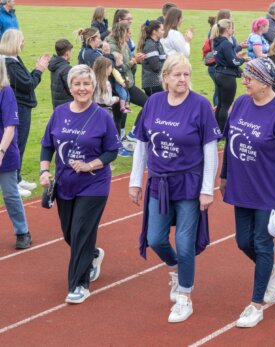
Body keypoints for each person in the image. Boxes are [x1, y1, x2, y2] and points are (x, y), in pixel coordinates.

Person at [129, 53, 221, 323]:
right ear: (165, 77)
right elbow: (142, 145)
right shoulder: (153, 103)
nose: (182, 80)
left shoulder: (200, 105)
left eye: (186, 75)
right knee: (156, 238)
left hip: (189, 184)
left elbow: (210, 149)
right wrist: (136, 181)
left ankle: (184, 296)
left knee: (184, 243)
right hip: (159, 182)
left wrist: (208, 189)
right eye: (177, 75)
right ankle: (176, 269)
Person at [220, 57, 275, 328]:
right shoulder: (242, 103)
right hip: (241, 184)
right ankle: (271, 270)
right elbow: (231, 140)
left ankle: (256, 305)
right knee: (244, 242)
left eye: (249, 78)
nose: (244, 81)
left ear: (265, 83)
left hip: (268, 189)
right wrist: (224, 175)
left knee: (262, 242)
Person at [39, 64, 121, 304]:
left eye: (87, 84)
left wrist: (90, 165)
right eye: (77, 84)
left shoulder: (103, 117)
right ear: (70, 87)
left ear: (94, 87)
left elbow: (112, 151)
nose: (82, 88)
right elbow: (47, 145)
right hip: (65, 184)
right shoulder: (60, 113)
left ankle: (79, 285)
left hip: (94, 185)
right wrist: (44, 171)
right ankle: (93, 254)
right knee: (70, 234)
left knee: (81, 231)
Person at [0, 29, 49, 197]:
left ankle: (17, 177)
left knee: (20, 143)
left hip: (20, 106)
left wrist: (35, 71)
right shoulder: (10, 64)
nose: (23, 44)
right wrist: (39, 70)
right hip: (18, 107)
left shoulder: (13, 60)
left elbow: (26, 80)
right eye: (21, 40)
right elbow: (28, 84)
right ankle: (13, 181)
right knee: (16, 144)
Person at [0, 54, 31, 249]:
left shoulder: (6, 92)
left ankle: (22, 231)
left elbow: (10, 126)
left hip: (5, 151)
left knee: (10, 194)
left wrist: (1, 152)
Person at [105, 22, 147, 151]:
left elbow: (127, 64)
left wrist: (135, 60)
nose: (130, 33)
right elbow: (117, 68)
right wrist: (133, 61)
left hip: (127, 83)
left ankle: (133, 133)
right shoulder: (112, 46)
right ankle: (116, 147)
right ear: (122, 33)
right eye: (128, 31)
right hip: (118, 86)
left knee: (148, 103)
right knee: (117, 116)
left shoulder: (124, 44)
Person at [213, 19, 247, 133]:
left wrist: (239, 47)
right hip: (227, 77)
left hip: (219, 74)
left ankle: (216, 128)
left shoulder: (217, 41)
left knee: (221, 104)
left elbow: (228, 52)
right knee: (225, 105)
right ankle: (222, 131)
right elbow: (233, 61)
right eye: (232, 28)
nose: (233, 30)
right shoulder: (226, 43)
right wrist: (243, 60)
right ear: (227, 29)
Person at [137, 20, 166, 97]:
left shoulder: (158, 43)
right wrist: (169, 66)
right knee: (153, 107)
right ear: (154, 32)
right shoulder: (150, 46)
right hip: (153, 84)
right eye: (162, 30)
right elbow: (156, 67)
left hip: (158, 82)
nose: (164, 31)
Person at [48, 39, 73, 109]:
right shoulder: (66, 69)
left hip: (57, 105)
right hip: (67, 106)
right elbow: (71, 89)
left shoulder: (55, 65)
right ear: (67, 53)